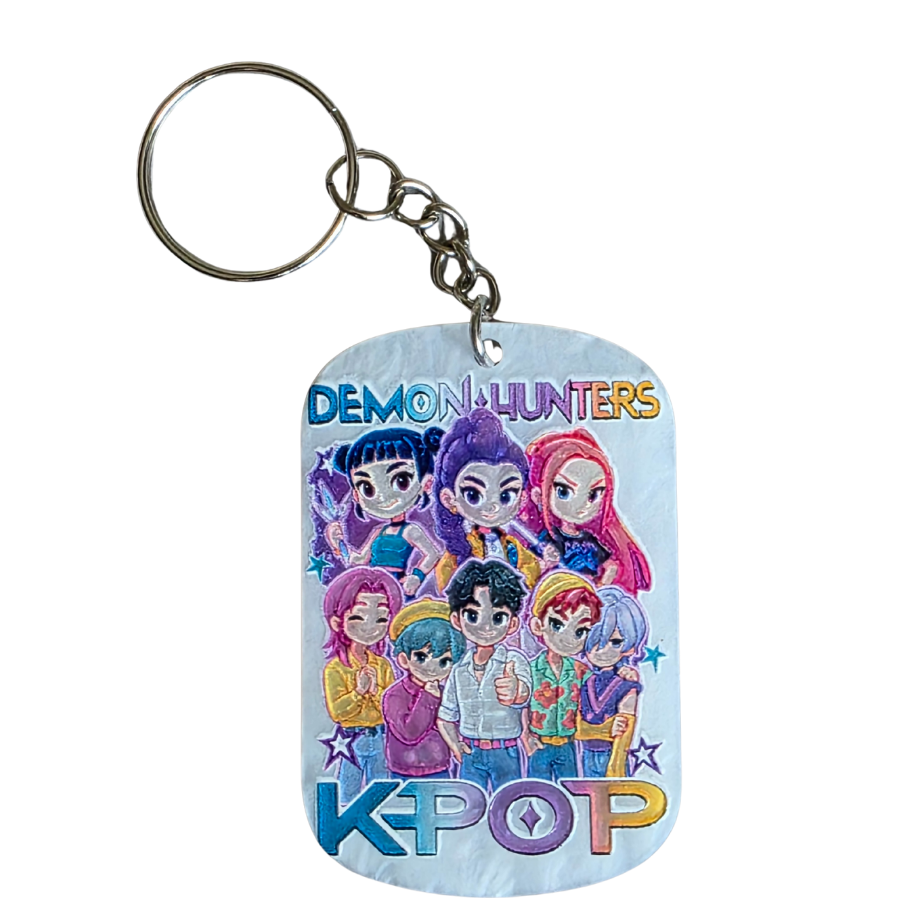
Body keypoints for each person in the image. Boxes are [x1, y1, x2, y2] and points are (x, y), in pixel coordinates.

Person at [436, 560, 532, 792]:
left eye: (498, 618)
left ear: (512, 624)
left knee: (509, 802)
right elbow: (446, 715)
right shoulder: (459, 669)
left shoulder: (513, 660)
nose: (486, 627)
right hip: (471, 752)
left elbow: (525, 694)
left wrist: (516, 691)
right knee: (469, 804)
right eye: (472, 615)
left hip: (505, 751)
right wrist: (455, 745)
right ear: (457, 620)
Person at [519, 428, 651, 594]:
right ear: (538, 496)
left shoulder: (589, 538)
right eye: (564, 492)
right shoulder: (548, 538)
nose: (582, 506)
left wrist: (602, 584)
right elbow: (532, 572)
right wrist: (546, 564)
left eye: (594, 495)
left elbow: (609, 564)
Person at [432, 409, 542, 593]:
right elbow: (447, 584)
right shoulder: (459, 549)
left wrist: (538, 570)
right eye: (473, 495)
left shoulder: (511, 547)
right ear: (449, 499)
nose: (493, 506)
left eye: (506, 496)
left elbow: (530, 571)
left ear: (522, 499)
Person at [324, 427, 444, 596]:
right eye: (367, 488)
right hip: (371, 587)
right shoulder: (378, 531)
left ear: (426, 484)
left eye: (401, 480)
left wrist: (416, 577)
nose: (382, 497)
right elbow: (358, 560)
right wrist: (338, 543)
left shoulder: (410, 531)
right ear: (356, 495)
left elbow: (432, 554)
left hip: (396, 587)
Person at [321, 567, 401, 801]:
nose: (370, 627)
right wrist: (358, 692)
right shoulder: (336, 668)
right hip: (350, 738)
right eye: (359, 617)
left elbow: (390, 708)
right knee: (348, 790)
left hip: (379, 736)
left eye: (381, 619)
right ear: (338, 621)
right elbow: (337, 712)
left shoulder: (383, 665)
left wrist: (375, 692)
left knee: (382, 790)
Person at [523, 572, 601, 781]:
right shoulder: (530, 669)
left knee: (569, 788)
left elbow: (595, 696)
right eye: (557, 624)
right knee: (538, 789)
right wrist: (526, 736)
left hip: (568, 745)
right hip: (539, 743)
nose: (567, 638)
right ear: (538, 625)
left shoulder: (582, 671)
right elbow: (522, 706)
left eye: (580, 631)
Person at [382, 599, 466, 780]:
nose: (432, 668)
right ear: (403, 659)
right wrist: (429, 697)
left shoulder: (447, 692)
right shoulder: (395, 694)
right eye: (421, 657)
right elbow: (409, 732)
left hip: (440, 768)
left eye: (444, 661)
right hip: (404, 770)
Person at [576, 586, 647, 778]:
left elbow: (625, 730)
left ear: (629, 648)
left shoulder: (626, 684)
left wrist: (615, 770)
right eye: (594, 639)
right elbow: (575, 726)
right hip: (585, 754)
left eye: (615, 642)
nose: (602, 650)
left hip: (612, 757)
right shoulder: (584, 678)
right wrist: (604, 729)